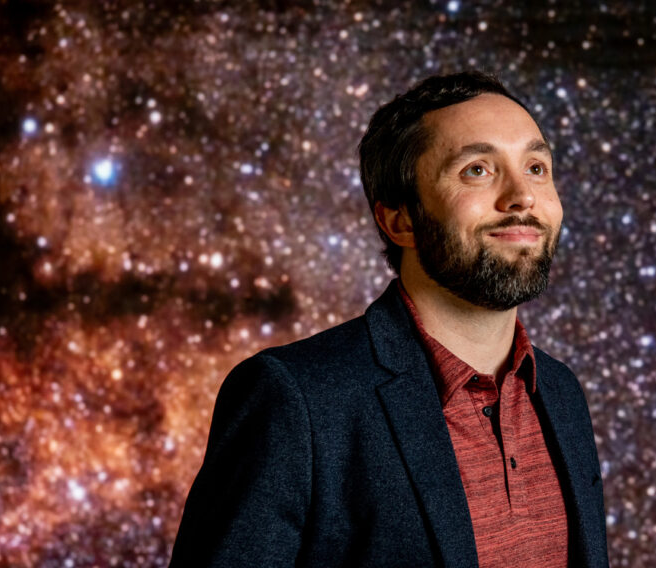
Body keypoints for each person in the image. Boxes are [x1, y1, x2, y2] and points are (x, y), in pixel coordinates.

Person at [169, 71, 608, 567]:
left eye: (535, 166)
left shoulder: (560, 393)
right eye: (477, 171)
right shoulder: (296, 399)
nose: (522, 197)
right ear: (399, 220)